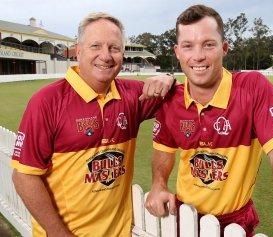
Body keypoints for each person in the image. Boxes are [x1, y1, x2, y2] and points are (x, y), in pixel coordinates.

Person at [145, 4, 273, 237]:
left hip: (235, 222)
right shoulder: (170, 100)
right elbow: (163, 150)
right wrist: (159, 184)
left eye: (208, 44)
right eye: (188, 46)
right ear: (177, 51)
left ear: (224, 48)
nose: (198, 56)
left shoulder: (253, 89)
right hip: (184, 218)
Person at [11, 12, 175, 237]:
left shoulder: (133, 95)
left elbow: (187, 98)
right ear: (78, 51)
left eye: (114, 48)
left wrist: (169, 78)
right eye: (95, 46)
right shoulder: (47, 101)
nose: (105, 56)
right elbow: (24, 176)